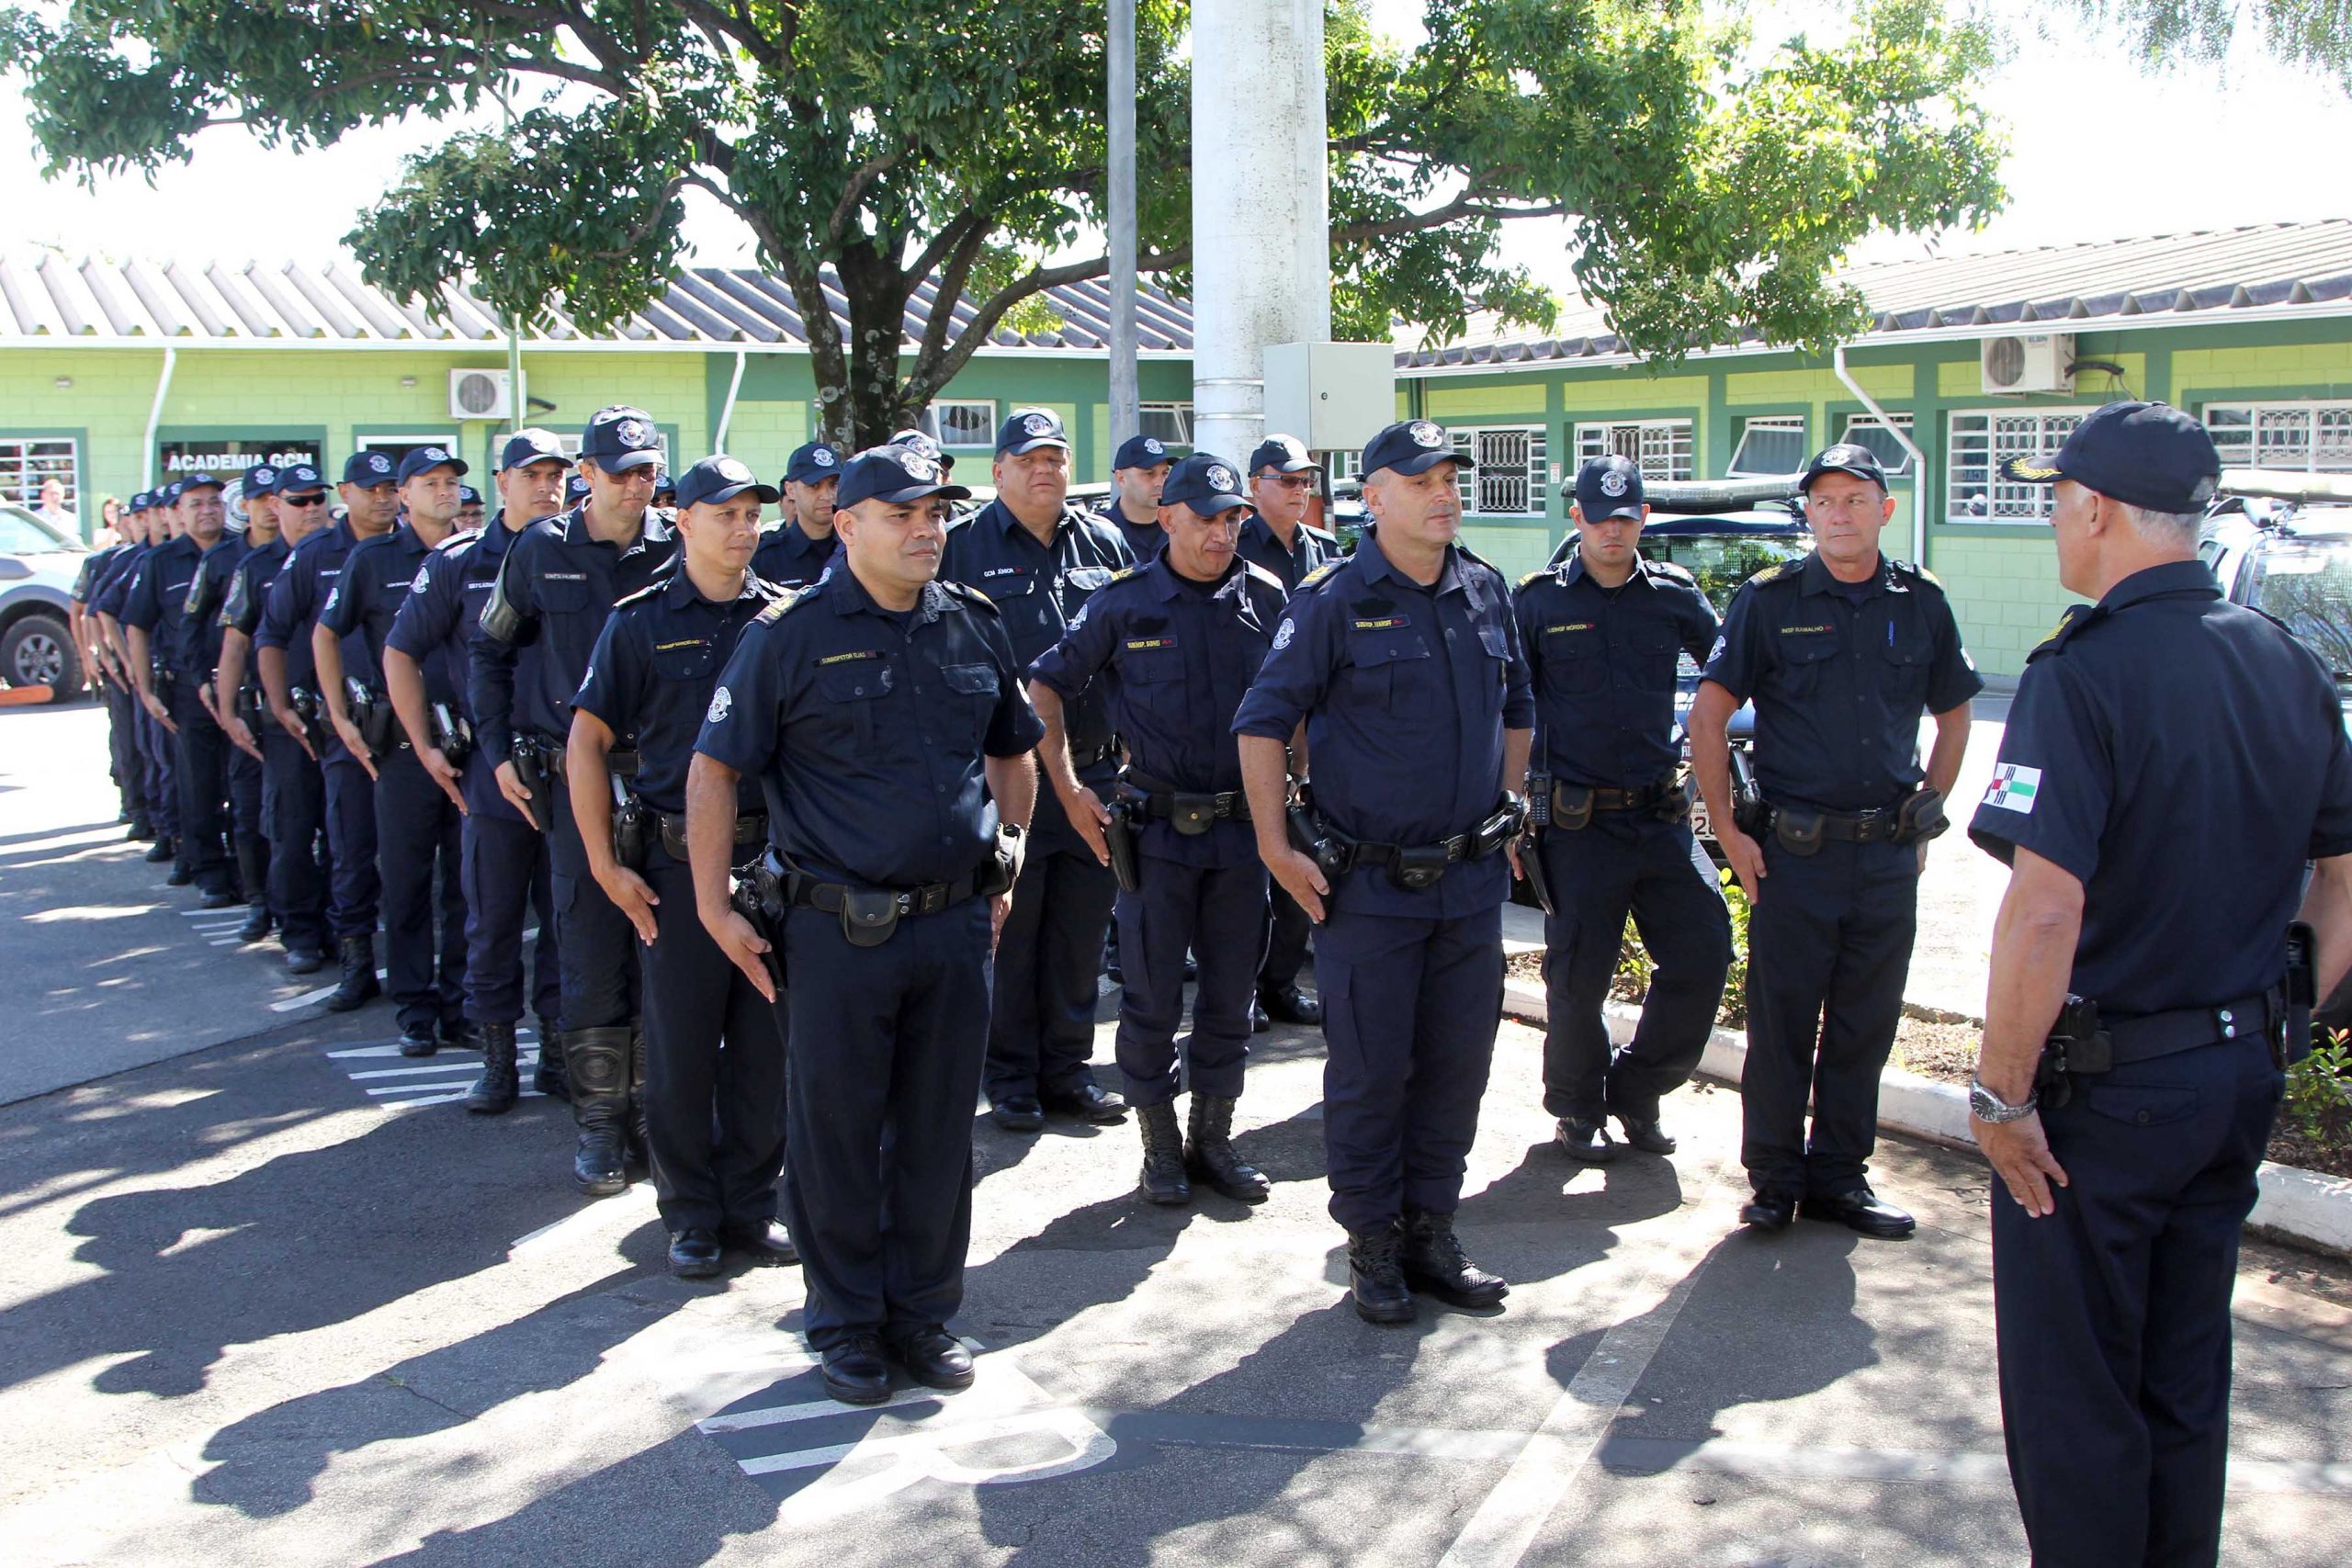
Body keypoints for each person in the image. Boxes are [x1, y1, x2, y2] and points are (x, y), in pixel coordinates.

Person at [1964, 402, 2352, 1566]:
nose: (2050, 519)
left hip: (2103, 1100)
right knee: (2183, 1382)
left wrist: (1998, 1098)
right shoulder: (2283, 661)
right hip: (2232, 1078)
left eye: (2052, 497)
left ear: (2092, 509)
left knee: (2078, 1402)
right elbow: (2339, 878)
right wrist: (2286, 1024)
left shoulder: (2082, 672)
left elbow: (2044, 908)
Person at [690, 442, 1041, 1404]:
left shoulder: (972, 624)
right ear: (845, 526)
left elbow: (1016, 753)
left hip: (954, 926)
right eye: (902, 513)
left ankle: (921, 1315)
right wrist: (713, 903)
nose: (926, 528)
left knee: (937, 1133)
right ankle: (844, 1322)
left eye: (934, 511)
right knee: (838, 1131)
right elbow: (715, 768)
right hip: (838, 931)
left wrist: (1007, 858)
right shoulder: (788, 635)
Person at [1234, 418, 1532, 1324]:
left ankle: (1430, 1231)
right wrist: (1273, 845)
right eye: (1422, 479)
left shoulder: (1484, 588)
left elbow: (1516, 705)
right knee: (1370, 1073)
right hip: (1367, 890)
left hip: (1470, 885)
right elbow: (1260, 723)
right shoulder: (1331, 599)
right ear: (1375, 496)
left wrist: (1510, 805)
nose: (1444, 493)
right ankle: (1371, 1245)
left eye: (1450, 477)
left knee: (1455, 1068)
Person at [1689, 442, 1981, 1239]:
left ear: (1886, 510)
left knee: (1865, 1021)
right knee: (1782, 1023)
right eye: (1824, 500)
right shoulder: (1770, 600)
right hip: (1796, 855)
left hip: (1884, 857)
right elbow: (1708, 716)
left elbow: (1955, 712)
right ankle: (1776, 1179)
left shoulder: (1921, 602)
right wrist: (1725, 829)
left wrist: (1931, 803)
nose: (1839, 512)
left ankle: (1840, 1178)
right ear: (1807, 513)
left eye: (1856, 498)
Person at [1030, 452, 1287, 1206]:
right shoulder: (1125, 603)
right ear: (1167, 516)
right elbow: (1045, 685)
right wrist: (1072, 790)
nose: (1220, 533)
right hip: (1157, 835)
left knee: (1232, 996)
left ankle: (1213, 1139)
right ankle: (1160, 1147)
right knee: (1149, 999)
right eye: (1204, 517)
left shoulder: (1269, 598)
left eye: (1232, 517)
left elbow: (1306, 703)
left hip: (1242, 833)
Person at [572, 456, 796, 1276]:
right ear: (682, 519)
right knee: (682, 1047)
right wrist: (602, 862)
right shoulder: (637, 622)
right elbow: (587, 744)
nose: (744, 528)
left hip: (770, 863)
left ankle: (749, 1202)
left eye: (752, 514)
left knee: (767, 1044)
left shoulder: (784, 618)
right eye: (725, 513)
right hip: (671, 865)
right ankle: (690, 1212)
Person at [473, 405, 678, 1194]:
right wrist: (496, 754)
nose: (636, 486)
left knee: (665, 951)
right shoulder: (539, 551)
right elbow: (488, 648)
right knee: (590, 951)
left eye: (647, 471)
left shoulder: (677, 544)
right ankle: (599, 1123)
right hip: (573, 785)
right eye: (619, 472)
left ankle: (657, 1114)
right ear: (584, 474)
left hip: (664, 782)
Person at [1515, 456, 1730, 1162]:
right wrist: (1512, 807)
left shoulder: (1673, 594)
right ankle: (1577, 1108)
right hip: (1578, 825)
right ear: (1576, 517)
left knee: (1703, 951)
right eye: (1600, 518)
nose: (1614, 531)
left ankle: (1638, 1086)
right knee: (1578, 979)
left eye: (1627, 518)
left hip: (1660, 815)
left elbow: (1730, 668)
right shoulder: (1540, 601)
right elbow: (1510, 708)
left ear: (1642, 520)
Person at [938, 408, 1133, 1132]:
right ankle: (1012, 1075)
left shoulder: (1104, 540)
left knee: (1080, 933)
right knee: (1011, 932)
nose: (1045, 469)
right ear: (998, 471)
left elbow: (1128, 648)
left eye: (1055, 457)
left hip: (1094, 775)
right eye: (1028, 459)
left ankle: (1068, 1068)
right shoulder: (962, 547)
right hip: (1005, 776)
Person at [385, 429, 570, 1108]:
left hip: (572, 768)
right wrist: (427, 746)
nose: (546, 486)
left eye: (556, 473)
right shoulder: (459, 562)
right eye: (531, 474)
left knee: (565, 917)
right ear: (501, 483)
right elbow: (400, 651)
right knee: (491, 919)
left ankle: (557, 1051)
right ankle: (498, 1058)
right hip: (496, 771)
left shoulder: (586, 554)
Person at [315, 446, 470, 1056]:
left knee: (468, 884)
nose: (445, 492)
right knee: (406, 880)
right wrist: (338, 716)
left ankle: (462, 1003)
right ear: (404, 495)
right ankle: (415, 1004)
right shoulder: (373, 558)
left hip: (470, 743)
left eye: (453, 482)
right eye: (430, 483)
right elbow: (327, 632)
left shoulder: (479, 553)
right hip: (405, 748)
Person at [260, 450, 400, 1010]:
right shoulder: (316, 554)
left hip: (420, 727)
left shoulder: (422, 550)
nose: (382, 496)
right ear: (347, 492)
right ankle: (355, 960)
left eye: (391, 486)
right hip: (351, 727)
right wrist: (279, 706)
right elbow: (271, 632)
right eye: (370, 488)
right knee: (351, 846)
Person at [1237, 431, 1339, 1032]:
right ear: (1256, 486)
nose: (1300, 491)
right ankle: (1243, 987)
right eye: (1287, 479)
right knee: (1253, 877)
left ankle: (1279, 984)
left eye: (1306, 481)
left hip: (1312, 735)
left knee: (1304, 859)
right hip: (1256, 729)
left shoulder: (1324, 551)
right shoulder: (1235, 545)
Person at [232, 464, 334, 974]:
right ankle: (300, 932)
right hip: (288, 718)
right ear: (276, 506)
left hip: (344, 717)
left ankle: (341, 928)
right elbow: (238, 642)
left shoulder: (345, 554)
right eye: (299, 501)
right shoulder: (255, 567)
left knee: (342, 832)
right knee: (292, 829)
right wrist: (232, 709)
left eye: (318, 499)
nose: (312, 508)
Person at [123, 472, 241, 908]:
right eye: (196, 504)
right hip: (189, 690)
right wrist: (146, 690)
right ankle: (208, 868)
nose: (207, 510)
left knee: (244, 784)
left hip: (241, 686)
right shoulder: (160, 561)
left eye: (214, 501)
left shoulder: (239, 552)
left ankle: (245, 869)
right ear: (177, 512)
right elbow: (136, 626)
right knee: (199, 784)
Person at [208, 463, 281, 943]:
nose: (274, 507)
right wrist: (225, 706)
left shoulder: (325, 554)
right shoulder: (241, 564)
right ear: (247, 506)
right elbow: (229, 643)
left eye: (288, 497)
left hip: (315, 712)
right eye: (266, 500)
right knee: (254, 809)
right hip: (259, 709)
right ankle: (259, 902)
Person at [95, 496, 178, 867]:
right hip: (156, 671)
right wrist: (124, 661)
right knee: (153, 754)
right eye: (141, 515)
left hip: (192, 674)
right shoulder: (135, 560)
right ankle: (162, 827)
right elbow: (100, 610)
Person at [72, 500, 145, 834]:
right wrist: (91, 655)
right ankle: (133, 805)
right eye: (133, 517)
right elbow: (85, 610)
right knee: (127, 740)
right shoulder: (106, 561)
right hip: (120, 662)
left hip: (148, 663)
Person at [751, 440, 842, 587]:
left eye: (833, 485)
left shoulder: (856, 548)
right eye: (814, 486)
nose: (827, 495)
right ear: (790, 490)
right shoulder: (767, 558)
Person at [1096, 434, 1172, 561]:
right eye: (1149, 474)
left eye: (1165, 473)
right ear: (1121, 478)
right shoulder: (1098, 534)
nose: (1160, 482)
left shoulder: (1180, 529)